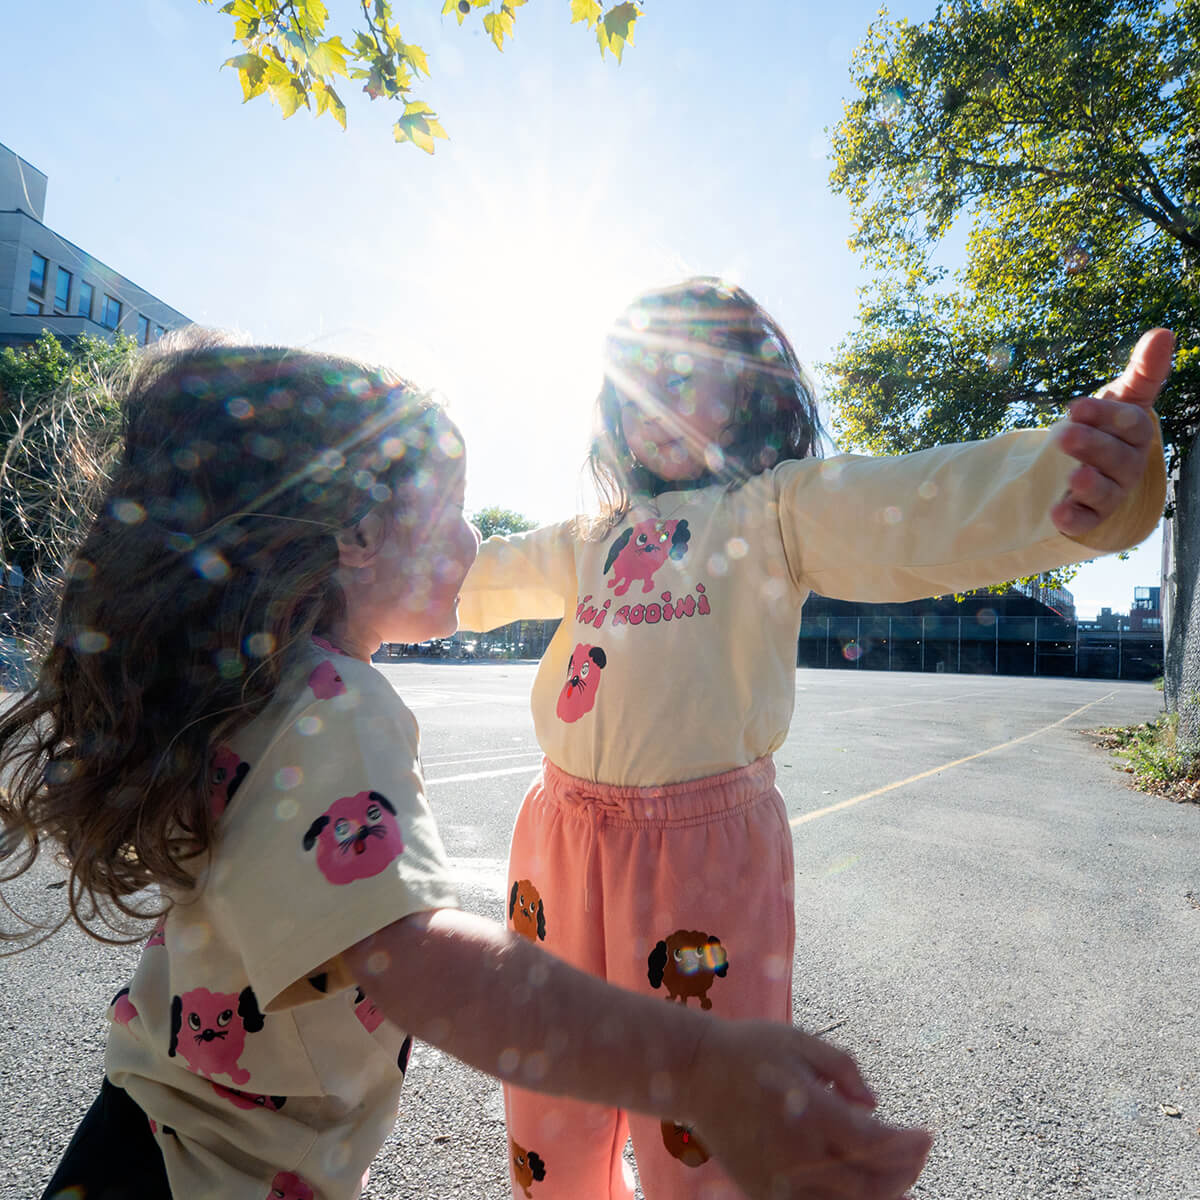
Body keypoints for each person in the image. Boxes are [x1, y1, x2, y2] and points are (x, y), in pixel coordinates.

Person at [0, 332, 933, 1200]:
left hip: (147, 1132)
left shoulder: (254, 693)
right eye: (450, 508)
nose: (473, 537)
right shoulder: (333, 708)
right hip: (206, 1174)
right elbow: (412, 959)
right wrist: (698, 1064)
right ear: (356, 533)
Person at [455, 277, 1172, 1200]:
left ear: (748, 395)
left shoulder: (774, 510)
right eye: (633, 383)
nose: (653, 402)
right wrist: (369, 559)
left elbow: (914, 504)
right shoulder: (588, 537)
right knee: (547, 1072)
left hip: (700, 850)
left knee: (703, 1116)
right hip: (557, 832)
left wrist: (1072, 479)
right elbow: (478, 576)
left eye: (684, 374)